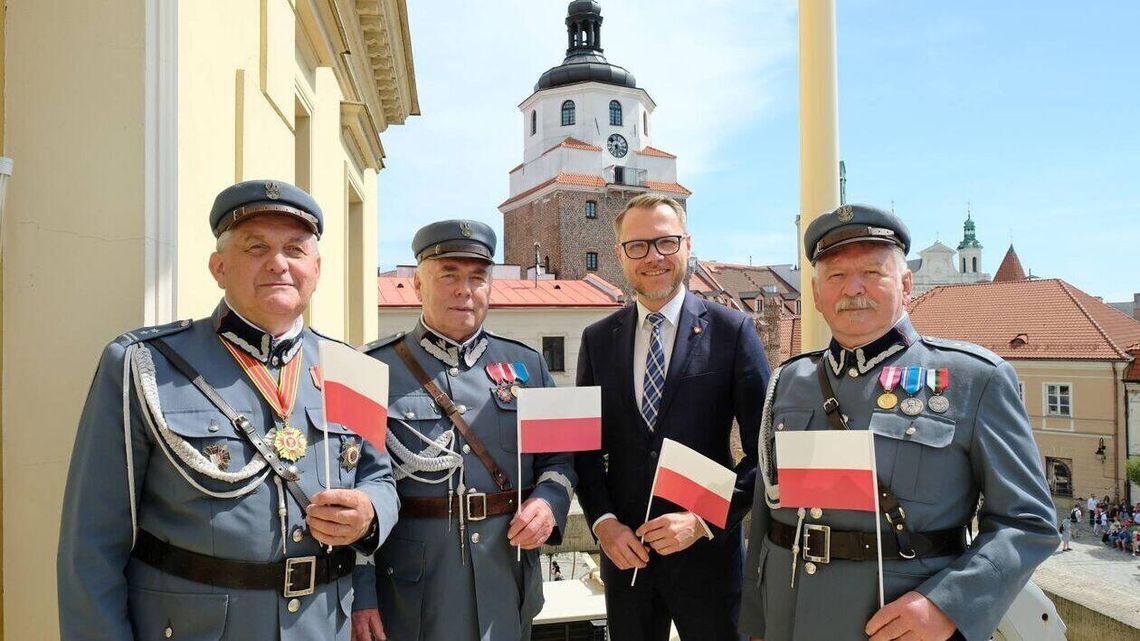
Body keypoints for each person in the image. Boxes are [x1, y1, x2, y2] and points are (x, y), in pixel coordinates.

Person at [57, 180, 399, 640]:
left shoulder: (353, 367)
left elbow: (379, 478)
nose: (278, 262)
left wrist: (369, 513)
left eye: (295, 249)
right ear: (219, 267)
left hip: (321, 626)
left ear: (315, 269)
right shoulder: (144, 364)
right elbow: (91, 543)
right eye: (256, 246)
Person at [739, 204, 1059, 641]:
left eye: (872, 273)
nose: (853, 289)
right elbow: (766, 517)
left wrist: (948, 604)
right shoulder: (790, 381)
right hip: (791, 617)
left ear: (906, 285)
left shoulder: (973, 379)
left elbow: (1028, 522)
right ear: (815, 294)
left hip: (899, 623)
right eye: (835, 276)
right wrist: (758, 624)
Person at [351, 220, 576, 641]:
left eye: (477, 277)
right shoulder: (372, 370)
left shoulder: (528, 366)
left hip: (506, 576)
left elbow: (560, 460)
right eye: (448, 276)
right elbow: (354, 485)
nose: (464, 289)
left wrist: (547, 504)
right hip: (413, 589)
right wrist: (361, 594)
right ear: (418, 285)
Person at [575, 194, 770, 640]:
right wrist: (603, 524)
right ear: (620, 254)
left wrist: (702, 520)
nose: (654, 258)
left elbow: (766, 452)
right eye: (638, 246)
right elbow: (585, 450)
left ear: (687, 244)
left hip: (708, 560)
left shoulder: (732, 331)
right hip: (627, 559)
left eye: (666, 243)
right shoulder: (598, 339)